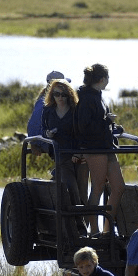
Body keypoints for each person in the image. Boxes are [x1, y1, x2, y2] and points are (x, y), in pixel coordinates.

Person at [75, 63, 125, 235]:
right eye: (107, 78)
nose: (108, 81)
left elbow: (99, 122)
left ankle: (107, 228)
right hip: (95, 148)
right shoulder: (87, 97)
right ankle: (94, 231)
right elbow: (84, 126)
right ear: (102, 79)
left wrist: (112, 127)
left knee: (118, 186)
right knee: (97, 187)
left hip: (106, 147)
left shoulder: (97, 95)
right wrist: (106, 122)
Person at [41, 79, 89, 226]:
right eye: (56, 94)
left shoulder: (75, 110)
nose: (60, 98)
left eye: (63, 94)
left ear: (69, 95)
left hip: (77, 155)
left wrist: (78, 152)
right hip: (61, 155)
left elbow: (82, 133)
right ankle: (78, 225)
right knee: (71, 187)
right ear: (52, 95)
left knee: (81, 191)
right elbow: (43, 130)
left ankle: (85, 225)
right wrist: (48, 135)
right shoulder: (48, 111)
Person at [28, 70, 70, 156]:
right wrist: (34, 144)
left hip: (48, 141)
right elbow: (35, 123)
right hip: (50, 142)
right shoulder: (47, 102)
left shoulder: (43, 99)